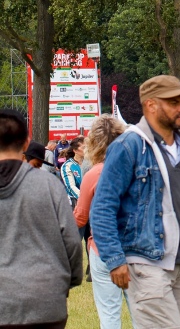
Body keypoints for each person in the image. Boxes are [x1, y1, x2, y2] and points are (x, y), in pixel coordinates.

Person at [90, 74, 180, 329]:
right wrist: (114, 259)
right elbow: (102, 208)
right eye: (173, 102)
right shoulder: (129, 146)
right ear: (151, 105)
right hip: (146, 263)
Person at [0, 108, 82, 328]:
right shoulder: (49, 185)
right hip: (46, 301)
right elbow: (72, 241)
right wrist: (69, 280)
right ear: (26, 143)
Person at [73, 114, 130, 329]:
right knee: (143, 316)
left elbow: (80, 217)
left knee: (109, 314)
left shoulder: (93, 174)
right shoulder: (135, 170)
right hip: (136, 248)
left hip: (103, 249)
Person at [61, 135, 86, 207]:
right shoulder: (67, 166)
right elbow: (71, 186)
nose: (87, 149)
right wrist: (85, 199)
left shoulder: (90, 163)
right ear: (75, 151)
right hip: (75, 203)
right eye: (84, 147)